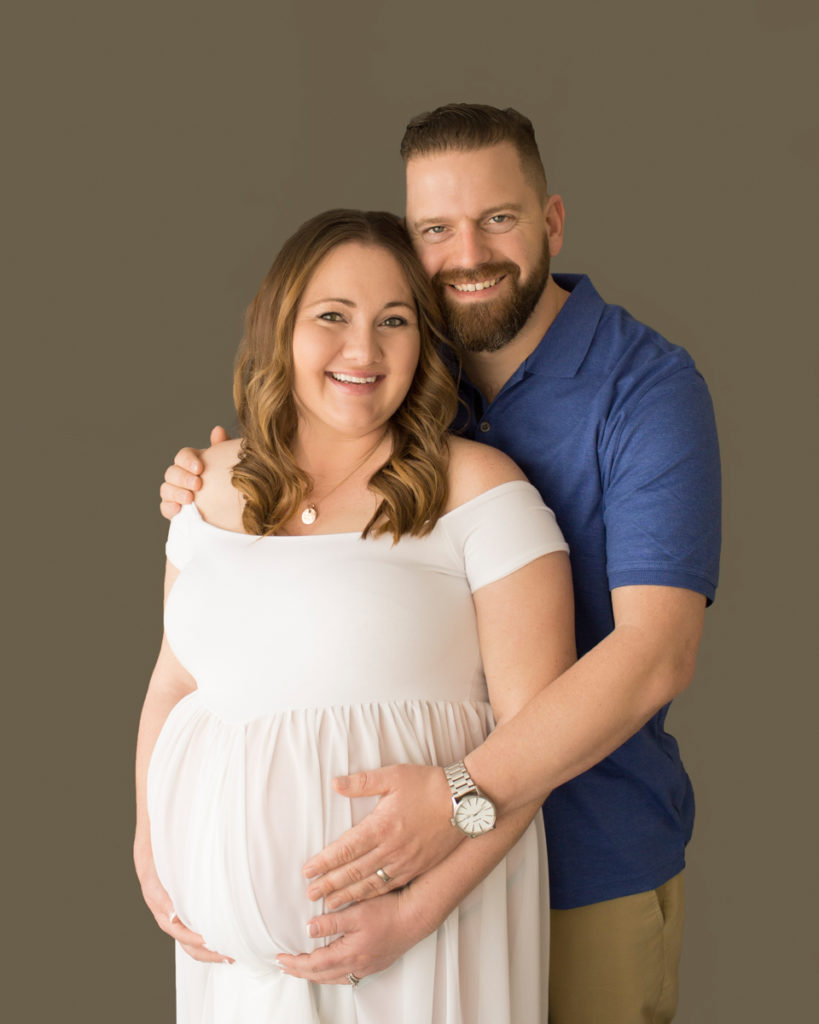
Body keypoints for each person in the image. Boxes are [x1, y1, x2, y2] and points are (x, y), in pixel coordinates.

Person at [161, 105, 721, 1024]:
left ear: (550, 222)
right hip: (369, 912)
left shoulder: (646, 391)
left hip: (585, 864)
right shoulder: (406, 367)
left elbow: (655, 653)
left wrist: (458, 799)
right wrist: (211, 490)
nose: (467, 253)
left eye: (497, 218)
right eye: (434, 229)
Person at [135, 207, 575, 1023]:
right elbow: (174, 683)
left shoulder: (483, 493)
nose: (363, 350)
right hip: (230, 974)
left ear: (423, 341)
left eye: (394, 321)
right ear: (281, 330)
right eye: (331, 316)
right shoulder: (206, 487)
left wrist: (413, 913)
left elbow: (536, 745)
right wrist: (150, 848)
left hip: (423, 940)